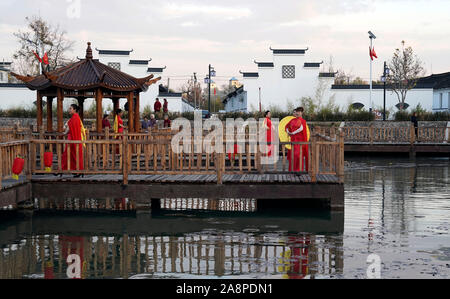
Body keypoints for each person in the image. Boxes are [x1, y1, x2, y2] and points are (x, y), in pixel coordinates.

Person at [62, 104, 84, 176]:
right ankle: (64, 170)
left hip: (74, 139)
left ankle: (77, 171)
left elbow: (69, 129)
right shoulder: (75, 117)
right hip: (74, 138)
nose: (69, 110)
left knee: (73, 155)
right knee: (70, 155)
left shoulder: (75, 118)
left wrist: (64, 133)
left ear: (74, 110)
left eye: (70, 108)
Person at [286, 107, 309, 172]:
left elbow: (301, 128)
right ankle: (292, 170)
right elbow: (287, 126)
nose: (297, 113)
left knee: (298, 155)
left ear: (302, 113)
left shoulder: (303, 121)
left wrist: (293, 132)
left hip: (300, 141)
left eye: (299, 112)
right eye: (297, 111)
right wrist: (288, 131)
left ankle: (299, 170)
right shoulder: (292, 120)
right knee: (293, 155)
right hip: (293, 140)